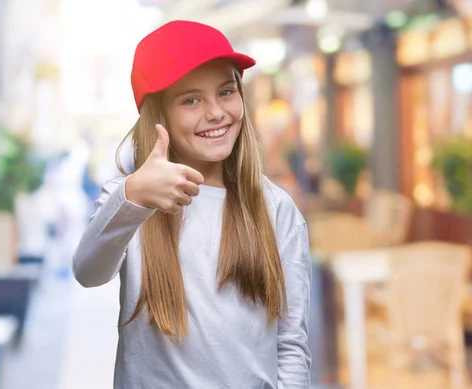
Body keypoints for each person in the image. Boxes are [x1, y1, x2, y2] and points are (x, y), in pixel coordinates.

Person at [72, 20, 312, 389]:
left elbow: (291, 344)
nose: (216, 112)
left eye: (226, 92)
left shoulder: (275, 208)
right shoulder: (128, 198)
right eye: (191, 99)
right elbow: (88, 272)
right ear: (159, 115)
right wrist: (134, 198)